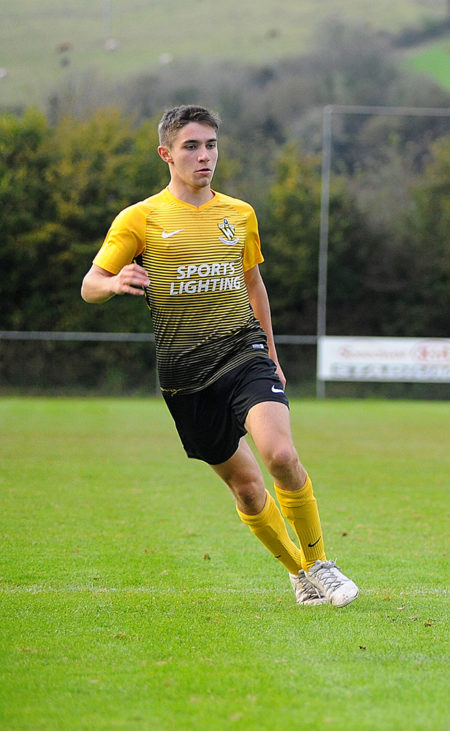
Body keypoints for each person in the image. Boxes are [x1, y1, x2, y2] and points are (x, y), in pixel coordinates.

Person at [81, 105, 358, 607]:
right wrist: (115, 280)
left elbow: (254, 285)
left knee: (280, 455)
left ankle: (321, 563)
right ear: (166, 154)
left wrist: (271, 353)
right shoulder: (140, 218)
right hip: (184, 375)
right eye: (191, 146)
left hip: (243, 351)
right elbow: (89, 285)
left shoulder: (239, 213)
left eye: (211, 145)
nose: (204, 156)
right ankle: (299, 573)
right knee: (249, 491)